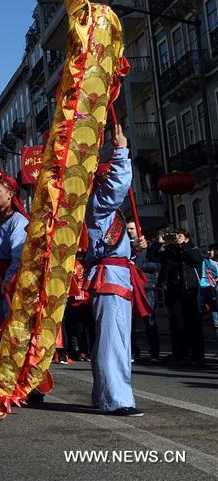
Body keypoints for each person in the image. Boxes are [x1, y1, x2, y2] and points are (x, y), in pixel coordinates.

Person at [83, 125, 143, 416]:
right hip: (110, 277)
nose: (110, 182)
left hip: (114, 275)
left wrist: (134, 246)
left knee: (110, 339)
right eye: (106, 177)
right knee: (112, 340)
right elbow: (119, 186)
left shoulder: (102, 208)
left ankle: (104, 394)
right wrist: (121, 151)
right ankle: (117, 399)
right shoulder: (100, 202)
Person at [149, 228, 205, 365]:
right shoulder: (169, 252)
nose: (176, 238)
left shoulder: (192, 249)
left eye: (179, 236)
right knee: (176, 323)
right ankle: (180, 353)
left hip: (190, 291)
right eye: (174, 236)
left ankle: (197, 355)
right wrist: (158, 243)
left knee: (193, 324)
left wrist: (183, 245)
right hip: (173, 292)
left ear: (186, 238)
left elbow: (196, 259)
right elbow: (151, 257)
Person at [0, 172, 29, 321]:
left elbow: (19, 255)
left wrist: (8, 279)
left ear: (10, 194)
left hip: (11, 282)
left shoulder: (18, 221)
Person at [127, 220, 159, 362]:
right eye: (128, 229)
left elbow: (157, 265)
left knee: (149, 321)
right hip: (129, 287)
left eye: (132, 228)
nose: (130, 231)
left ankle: (154, 353)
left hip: (146, 288)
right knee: (129, 323)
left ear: (139, 229)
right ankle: (133, 351)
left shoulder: (149, 246)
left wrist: (137, 265)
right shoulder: (124, 247)